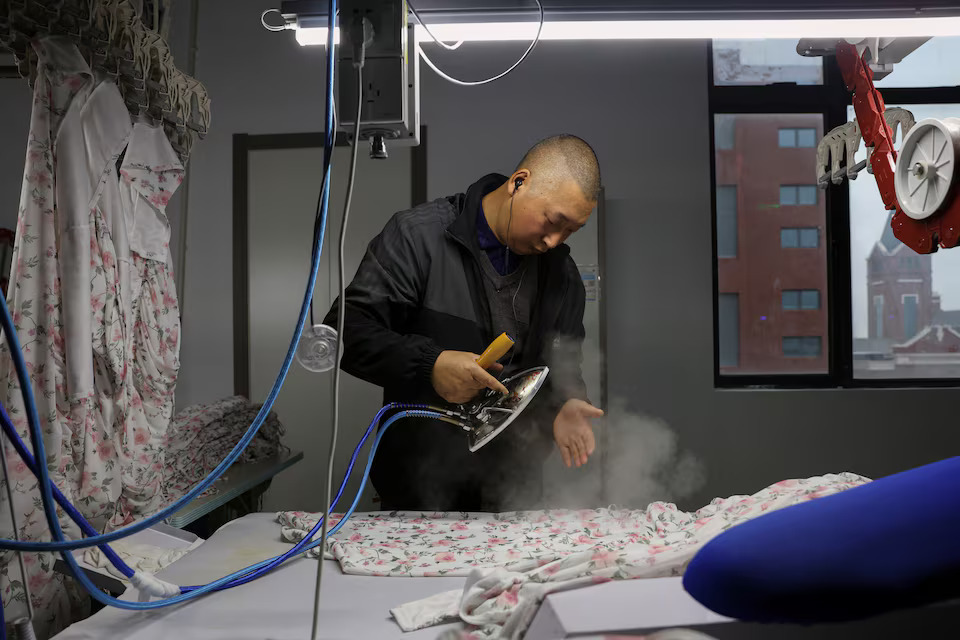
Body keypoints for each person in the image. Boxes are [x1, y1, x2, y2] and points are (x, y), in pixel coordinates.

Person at [325, 134, 604, 512]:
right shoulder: (417, 237)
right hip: (417, 491)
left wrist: (568, 401)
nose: (555, 241)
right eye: (553, 221)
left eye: (571, 230)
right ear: (519, 182)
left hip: (514, 492)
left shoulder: (562, 275)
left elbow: (564, 361)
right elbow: (351, 332)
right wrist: (430, 365)